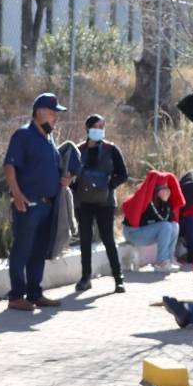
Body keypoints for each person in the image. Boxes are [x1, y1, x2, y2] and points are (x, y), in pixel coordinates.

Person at [3, 93, 79, 312]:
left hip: (48, 205)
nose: (56, 117)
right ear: (39, 112)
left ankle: (35, 294)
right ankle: (16, 296)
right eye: (53, 112)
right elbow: (9, 166)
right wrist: (17, 195)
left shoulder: (49, 139)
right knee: (22, 250)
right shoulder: (23, 135)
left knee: (38, 251)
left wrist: (67, 178)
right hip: (29, 205)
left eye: (57, 113)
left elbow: (54, 168)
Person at [73, 115, 128, 293]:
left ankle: (119, 278)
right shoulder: (78, 150)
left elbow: (123, 174)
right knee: (85, 240)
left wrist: (108, 186)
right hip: (84, 201)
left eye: (102, 126)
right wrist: (76, 187)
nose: (100, 129)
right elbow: (70, 172)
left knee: (108, 240)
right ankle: (85, 277)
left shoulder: (111, 149)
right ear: (88, 129)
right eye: (96, 126)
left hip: (105, 202)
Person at [120, 171, 184, 271]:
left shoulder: (164, 202)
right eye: (163, 188)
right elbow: (162, 221)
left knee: (174, 225)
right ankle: (161, 262)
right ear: (156, 190)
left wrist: (165, 202)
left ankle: (170, 258)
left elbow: (169, 220)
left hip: (147, 233)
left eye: (167, 188)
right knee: (166, 226)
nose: (167, 191)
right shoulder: (146, 201)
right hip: (133, 233)